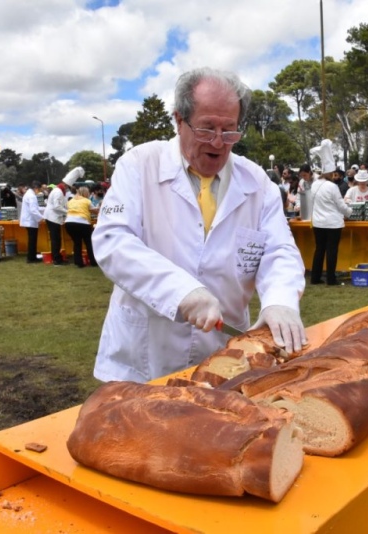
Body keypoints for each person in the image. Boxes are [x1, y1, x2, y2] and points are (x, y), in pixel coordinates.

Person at [91, 67, 306, 383]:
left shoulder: (257, 182)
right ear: (179, 121)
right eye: (206, 129)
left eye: (229, 131)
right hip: (145, 356)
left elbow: (279, 252)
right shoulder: (139, 165)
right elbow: (113, 240)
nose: (219, 143)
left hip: (221, 357)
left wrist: (280, 302)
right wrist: (180, 291)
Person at [309, 140, 353, 285]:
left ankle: (315, 277)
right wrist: (350, 211)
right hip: (332, 223)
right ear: (330, 173)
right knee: (331, 251)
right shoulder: (332, 187)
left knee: (319, 250)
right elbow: (340, 205)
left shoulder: (315, 184)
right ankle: (331, 278)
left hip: (318, 222)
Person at [43, 167, 83, 266]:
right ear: (65, 185)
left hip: (54, 217)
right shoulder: (58, 191)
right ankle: (56, 259)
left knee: (57, 239)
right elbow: (57, 206)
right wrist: (68, 212)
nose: (67, 189)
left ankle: (58, 258)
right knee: (55, 239)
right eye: (67, 187)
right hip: (52, 217)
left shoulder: (59, 190)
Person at [65, 185, 99, 268]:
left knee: (77, 243)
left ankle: (78, 262)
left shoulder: (70, 201)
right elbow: (94, 210)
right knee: (88, 242)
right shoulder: (87, 201)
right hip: (82, 222)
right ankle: (93, 261)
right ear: (86, 193)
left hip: (69, 223)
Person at [19, 181, 44, 264]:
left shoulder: (28, 194)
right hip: (30, 221)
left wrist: (45, 209)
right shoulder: (32, 196)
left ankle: (32, 256)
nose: (39, 192)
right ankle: (31, 258)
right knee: (32, 240)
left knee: (32, 239)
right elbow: (33, 210)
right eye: (39, 190)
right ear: (36, 188)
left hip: (29, 220)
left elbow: (35, 208)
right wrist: (40, 219)